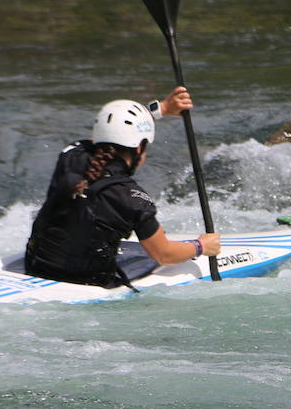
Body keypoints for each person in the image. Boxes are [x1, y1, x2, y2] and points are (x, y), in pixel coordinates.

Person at [24, 86, 221, 287]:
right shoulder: (132, 198)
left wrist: (162, 108)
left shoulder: (70, 155)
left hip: (35, 266)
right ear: (138, 148)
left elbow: (109, 133)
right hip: (85, 282)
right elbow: (164, 254)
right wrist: (201, 246)